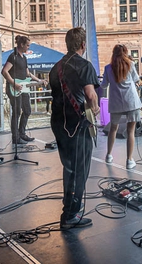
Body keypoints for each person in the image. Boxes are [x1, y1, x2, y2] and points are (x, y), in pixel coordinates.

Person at [49, 27, 100, 230]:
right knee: (80, 170)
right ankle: (71, 214)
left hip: (59, 123)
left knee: (69, 166)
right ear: (83, 45)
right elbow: (90, 95)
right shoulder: (84, 66)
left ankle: (68, 210)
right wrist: (95, 108)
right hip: (77, 125)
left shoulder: (56, 67)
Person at [100, 44, 142, 169]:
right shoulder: (130, 64)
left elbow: (103, 85)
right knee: (130, 131)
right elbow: (136, 79)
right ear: (125, 52)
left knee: (113, 129)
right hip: (131, 101)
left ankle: (108, 155)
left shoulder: (108, 68)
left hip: (116, 102)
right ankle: (129, 160)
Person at [1, 35, 47, 144]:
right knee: (16, 112)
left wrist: (38, 81)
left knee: (27, 110)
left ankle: (22, 133)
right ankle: (15, 138)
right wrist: (14, 83)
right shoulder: (13, 57)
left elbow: (27, 74)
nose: (28, 47)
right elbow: (4, 71)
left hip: (24, 88)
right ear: (21, 45)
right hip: (14, 88)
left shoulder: (24, 58)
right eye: (27, 45)